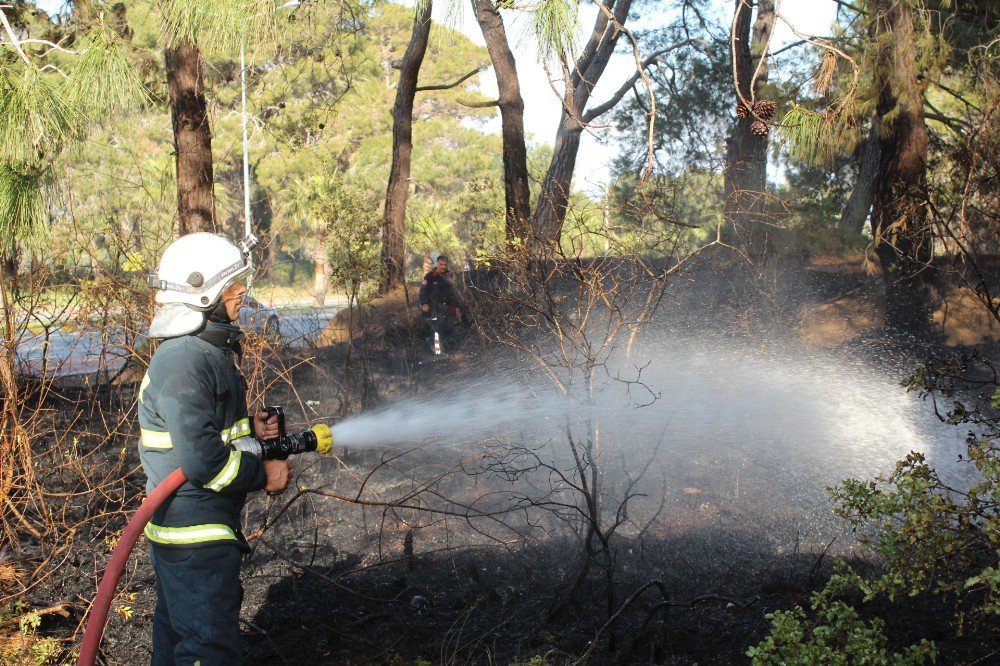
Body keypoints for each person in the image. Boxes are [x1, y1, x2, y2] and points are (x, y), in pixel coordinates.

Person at [139, 232, 292, 665]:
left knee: (178, 640)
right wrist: (265, 475)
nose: (241, 290)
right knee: (208, 649)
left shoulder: (203, 352)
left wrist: (253, 432)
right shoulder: (185, 359)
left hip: (196, 529)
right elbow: (202, 460)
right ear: (202, 292)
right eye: (231, 284)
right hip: (194, 538)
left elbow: (210, 435)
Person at [419, 253, 462, 349]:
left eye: (445, 265)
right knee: (436, 330)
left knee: (448, 329)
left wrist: (456, 307)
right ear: (436, 264)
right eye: (441, 264)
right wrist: (424, 303)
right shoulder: (429, 277)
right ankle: (437, 352)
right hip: (433, 308)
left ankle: (447, 350)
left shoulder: (448, 277)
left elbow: (452, 294)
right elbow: (423, 291)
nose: (443, 267)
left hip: (446, 308)